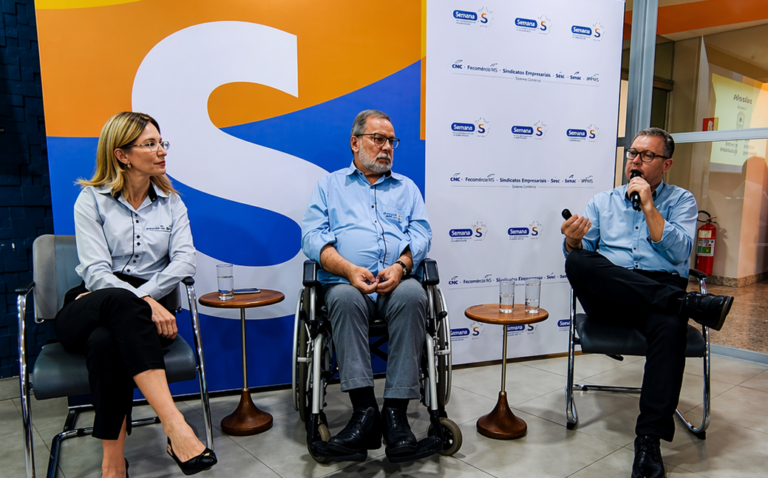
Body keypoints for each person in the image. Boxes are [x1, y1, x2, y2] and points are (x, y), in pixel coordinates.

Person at [561, 127, 733, 478]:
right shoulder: (602, 201)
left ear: (666, 164)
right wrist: (572, 241)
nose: (635, 161)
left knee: (670, 328)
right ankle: (688, 303)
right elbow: (583, 257)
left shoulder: (682, 201)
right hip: (611, 293)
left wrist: (649, 205)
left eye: (647, 155)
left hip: (659, 289)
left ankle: (648, 441)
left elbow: (681, 252)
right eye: (633, 154)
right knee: (577, 261)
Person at [54, 112, 217, 478]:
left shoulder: (172, 202)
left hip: (140, 320)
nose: (162, 151)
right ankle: (175, 425)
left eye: (162, 142)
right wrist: (143, 302)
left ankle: (112, 463)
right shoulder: (91, 200)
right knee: (115, 305)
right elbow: (97, 273)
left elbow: (185, 261)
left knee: (106, 342)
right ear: (122, 155)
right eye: (150, 144)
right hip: (89, 303)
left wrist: (141, 300)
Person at [301, 109, 432, 461]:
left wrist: (402, 266)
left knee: (414, 295)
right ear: (355, 143)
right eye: (378, 139)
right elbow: (312, 237)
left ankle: (395, 414)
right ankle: (364, 411)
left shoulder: (407, 188)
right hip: (347, 282)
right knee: (342, 300)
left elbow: (421, 234)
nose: (387, 147)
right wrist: (347, 269)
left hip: (396, 281)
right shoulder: (329, 186)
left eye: (391, 141)